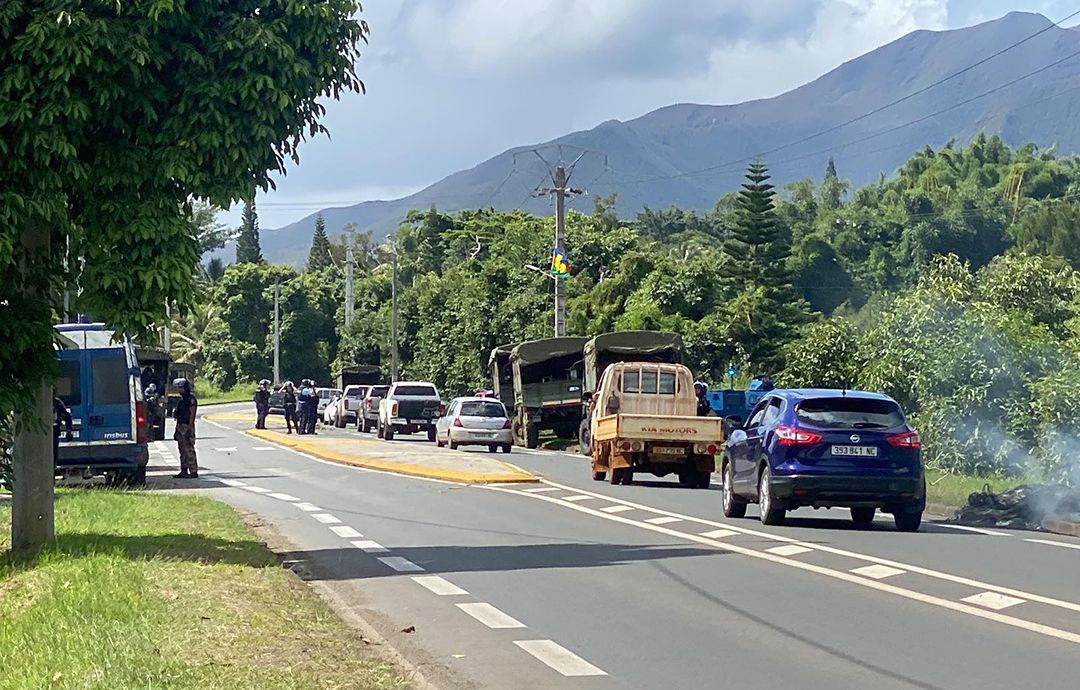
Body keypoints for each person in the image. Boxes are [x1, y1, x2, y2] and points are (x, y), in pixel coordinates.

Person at [171, 378, 199, 479]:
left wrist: (190, 428)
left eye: (180, 388)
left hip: (187, 426)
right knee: (182, 449)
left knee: (189, 450)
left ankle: (193, 470)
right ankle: (184, 470)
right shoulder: (181, 401)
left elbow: (192, 414)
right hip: (180, 426)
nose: (179, 390)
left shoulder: (191, 399)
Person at [53, 396, 72, 466]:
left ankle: (53, 468)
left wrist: (69, 431)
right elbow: (67, 417)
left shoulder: (56, 402)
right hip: (51, 431)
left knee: (54, 455)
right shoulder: (56, 402)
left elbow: (67, 416)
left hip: (54, 432)